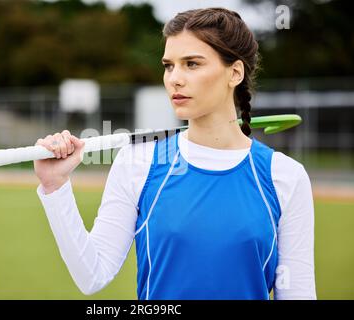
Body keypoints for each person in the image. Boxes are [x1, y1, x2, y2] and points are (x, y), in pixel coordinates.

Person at [34, 8, 316, 300]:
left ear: (234, 73)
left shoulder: (285, 177)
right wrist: (55, 187)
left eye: (192, 64)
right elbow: (92, 275)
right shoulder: (138, 162)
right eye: (169, 66)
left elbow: (298, 294)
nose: (175, 79)